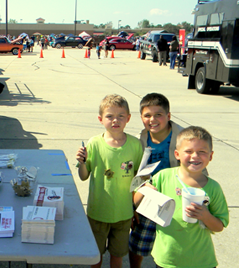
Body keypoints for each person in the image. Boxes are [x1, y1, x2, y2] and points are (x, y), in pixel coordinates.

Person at [134, 126, 229, 268]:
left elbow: (219, 226)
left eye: (202, 152)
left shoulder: (213, 188)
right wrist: (143, 190)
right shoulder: (163, 177)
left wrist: (205, 216)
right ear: (177, 154)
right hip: (167, 259)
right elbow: (137, 202)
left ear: (210, 155)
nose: (195, 156)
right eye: (188, 151)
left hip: (201, 261)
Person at [76, 94, 143, 268]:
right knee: (95, 256)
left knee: (118, 255)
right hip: (98, 212)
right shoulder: (94, 144)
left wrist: (135, 207)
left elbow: (139, 178)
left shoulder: (135, 145)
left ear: (128, 118)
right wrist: (82, 163)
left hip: (123, 214)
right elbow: (83, 176)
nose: (115, 120)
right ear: (100, 119)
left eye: (121, 116)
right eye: (110, 116)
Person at [128, 93, 183, 268]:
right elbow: (136, 173)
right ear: (141, 118)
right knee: (138, 244)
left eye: (158, 114)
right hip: (148, 197)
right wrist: (133, 204)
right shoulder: (141, 139)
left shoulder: (183, 138)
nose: (153, 119)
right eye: (147, 115)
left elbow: (198, 168)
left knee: (171, 244)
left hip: (175, 197)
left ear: (168, 115)